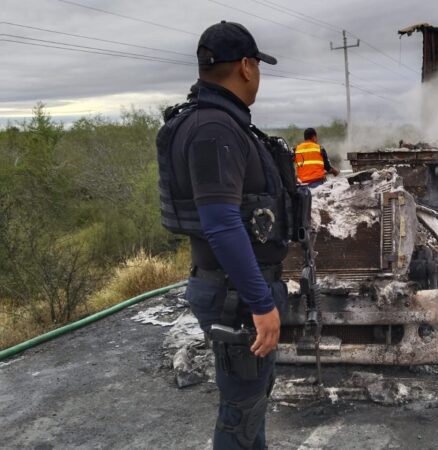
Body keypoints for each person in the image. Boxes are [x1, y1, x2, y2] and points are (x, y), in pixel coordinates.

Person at [157, 21, 293, 449]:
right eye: (259, 67)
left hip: (232, 288)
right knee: (239, 412)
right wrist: (261, 302)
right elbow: (221, 222)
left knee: (250, 401)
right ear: (247, 67)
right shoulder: (214, 130)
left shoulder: (213, 123)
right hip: (235, 295)